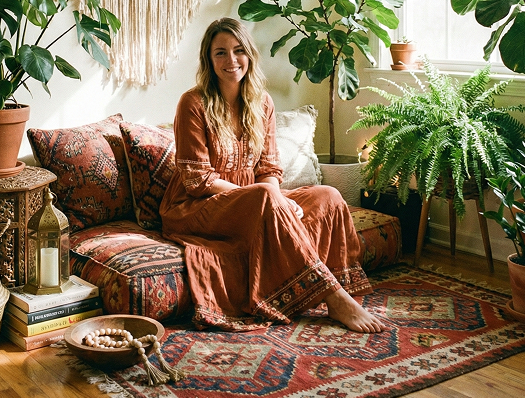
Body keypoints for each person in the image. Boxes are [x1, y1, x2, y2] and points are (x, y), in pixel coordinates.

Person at [159, 17, 385, 333]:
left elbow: (268, 169)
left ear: (250, 55)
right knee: (264, 195)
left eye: (238, 50)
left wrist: (274, 199)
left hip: (252, 203)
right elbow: (199, 180)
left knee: (328, 197)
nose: (231, 60)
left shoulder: (262, 103)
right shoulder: (193, 103)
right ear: (208, 60)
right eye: (220, 52)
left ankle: (336, 289)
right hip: (197, 207)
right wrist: (266, 199)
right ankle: (333, 297)